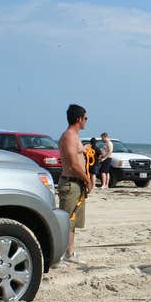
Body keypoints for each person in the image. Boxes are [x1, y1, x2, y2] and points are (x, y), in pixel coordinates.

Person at [57, 104, 94, 263]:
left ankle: (69, 253)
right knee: (65, 222)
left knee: (72, 222)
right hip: (71, 184)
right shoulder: (69, 136)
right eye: (85, 118)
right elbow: (73, 164)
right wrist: (87, 180)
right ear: (78, 119)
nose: (86, 121)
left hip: (76, 184)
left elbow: (76, 156)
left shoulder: (74, 137)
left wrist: (84, 149)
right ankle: (57, 256)